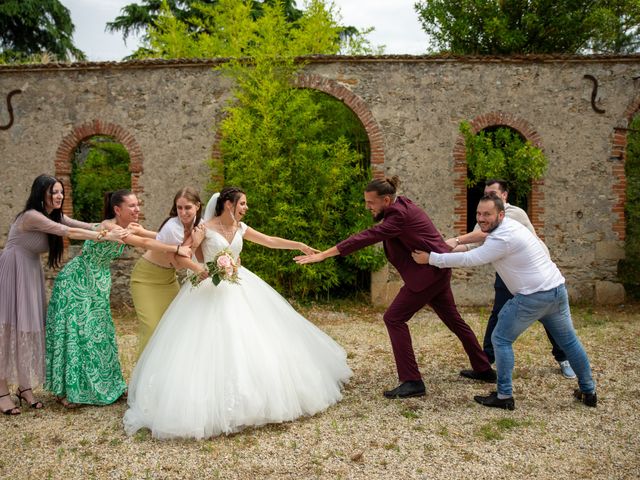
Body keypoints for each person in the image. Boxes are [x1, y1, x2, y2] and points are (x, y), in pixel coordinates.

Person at [123, 187, 351, 440]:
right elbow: (185, 253)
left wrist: (296, 244)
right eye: (242, 203)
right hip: (208, 287)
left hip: (239, 284)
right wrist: (199, 269)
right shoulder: (205, 228)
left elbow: (269, 240)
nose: (246, 208)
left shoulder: (241, 228)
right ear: (229, 205)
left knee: (252, 338)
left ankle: (257, 397)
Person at [295, 176, 494, 400]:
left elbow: (365, 237)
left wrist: (323, 255)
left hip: (427, 276)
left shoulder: (397, 216)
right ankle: (483, 368)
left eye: (370, 203)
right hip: (437, 271)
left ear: (387, 200)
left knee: (394, 318)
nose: (367, 207)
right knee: (454, 320)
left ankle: (412, 381)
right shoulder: (402, 205)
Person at [413, 193, 597, 410]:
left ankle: (504, 396)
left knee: (500, 339)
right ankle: (589, 391)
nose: (482, 218)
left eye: (487, 214)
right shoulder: (508, 224)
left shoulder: (502, 239)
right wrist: (458, 240)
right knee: (569, 342)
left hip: (532, 296)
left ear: (500, 214)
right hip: (556, 290)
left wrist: (431, 259)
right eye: (479, 213)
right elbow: (481, 233)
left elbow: (470, 259)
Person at [44, 189, 192, 408]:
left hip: (98, 279)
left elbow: (151, 237)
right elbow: (147, 245)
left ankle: (105, 386)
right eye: (132, 206)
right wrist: (177, 247)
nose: (137, 209)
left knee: (99, 334)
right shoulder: (110, 226)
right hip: (77, 279)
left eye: (137, 204)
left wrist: (158, 235)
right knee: (77, 333)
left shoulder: (127, 227)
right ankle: (69, 391)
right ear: (117, 209)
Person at [0, 174, 124, 415]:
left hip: (30, 271)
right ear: (40, 194)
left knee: (30, 326)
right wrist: (102, 235)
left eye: (60, 192)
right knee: (8, 329)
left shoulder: (54, 214)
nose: (58, 196)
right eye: (53, 192)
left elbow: (83, 225)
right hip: (13, 270)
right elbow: (66, 231)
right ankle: (2, 391)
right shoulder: (31, 216)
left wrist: (109, 226)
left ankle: (24, 388)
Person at [446, 179, 575, 379]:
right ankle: (485, 363)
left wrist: (449, 246)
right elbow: (473, 245)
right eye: (486, 193)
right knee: (498, 314)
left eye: (493, 193)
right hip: (509, 274)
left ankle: (563, 359)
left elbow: (477, 238)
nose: (489, 197)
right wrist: (443, 248)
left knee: (549, 318)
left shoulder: (514, 214)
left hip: (535, 276)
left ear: (504, 196)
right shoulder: (484, 218)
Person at [130, 187, 206, 357]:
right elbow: (178, 263)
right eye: (179, 208)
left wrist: (143, 231)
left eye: (187, 207)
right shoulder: (173, 227)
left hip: (168, 280)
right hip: (146, 279)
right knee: (151, 328)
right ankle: (142, 378)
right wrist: (195, 245)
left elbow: (161, 239)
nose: (183, 212)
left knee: (173, 326)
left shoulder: (198, 225)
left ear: (197, 206)